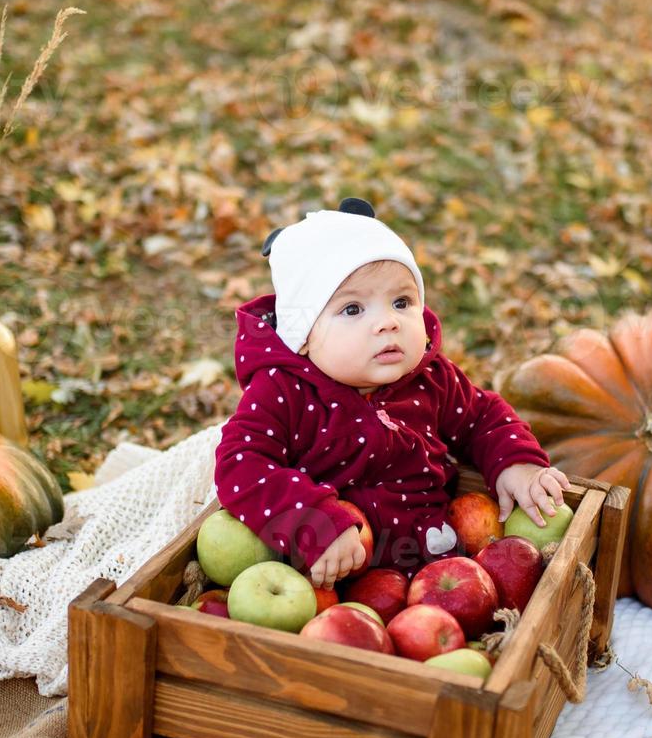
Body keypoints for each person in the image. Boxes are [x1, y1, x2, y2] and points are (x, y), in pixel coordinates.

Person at [213, 198, 571, 588]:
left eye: (401, 302)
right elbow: (240, 464)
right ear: (302, 337)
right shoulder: (283, 393)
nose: (387, 323)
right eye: (352, 309)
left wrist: (515, 461)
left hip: (439, 567)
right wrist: (314, 523)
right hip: (331, 578)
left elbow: (482, 415)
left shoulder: (429, 377)